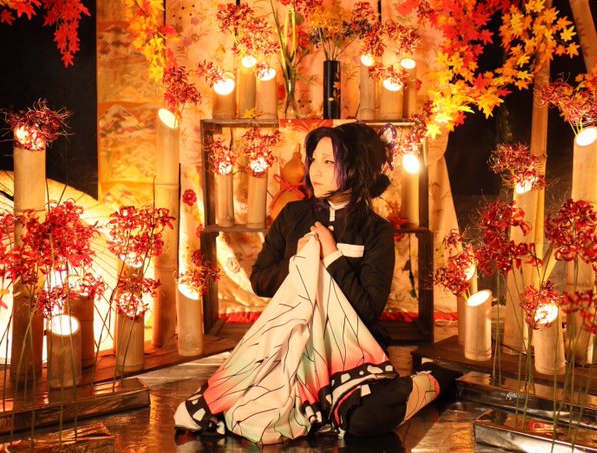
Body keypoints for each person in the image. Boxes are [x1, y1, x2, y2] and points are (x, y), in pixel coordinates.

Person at [174, 122, 460, 444]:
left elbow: (368, 309)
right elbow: (260, 282)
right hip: (291, 346)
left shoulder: (375, 229)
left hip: (352, 351)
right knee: (241, 407)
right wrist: (298, 261)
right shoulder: (292, 215)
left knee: (366, 419)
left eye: (328, 161)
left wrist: (332, 255)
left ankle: (433, 378)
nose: (315, 170)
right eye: (314, 159)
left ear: (356, 168)